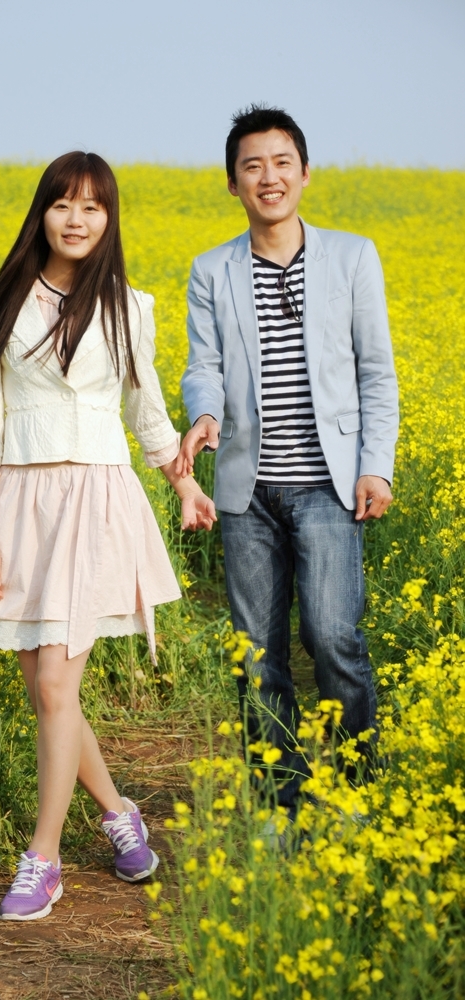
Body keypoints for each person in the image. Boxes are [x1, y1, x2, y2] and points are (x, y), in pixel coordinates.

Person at [0, 151, 216, 920]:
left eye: (93, 206)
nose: (76, 218)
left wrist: (184, 485)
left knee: (57, 687)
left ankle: (44, 858)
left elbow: (146, 413)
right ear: (42, 213)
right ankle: (120, 813)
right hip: (21, 504)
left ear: (109, 218)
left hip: (96, 499)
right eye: (63, 203)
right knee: (45, 690)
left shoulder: (131, 307)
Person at [177, 105, 399, 818]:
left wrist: (376, 465)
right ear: (232, 184)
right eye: (252, 166)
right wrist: (204, 415)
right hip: (248, 492)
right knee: (257, 655)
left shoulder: (352, 257)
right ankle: (281, 804)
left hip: (328, 485)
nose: (267, 177)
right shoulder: (212, 270)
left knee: (332, 638)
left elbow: (376, 372)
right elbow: (203, 366)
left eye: (280, 163)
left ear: (304, 173)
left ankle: (359, 790)